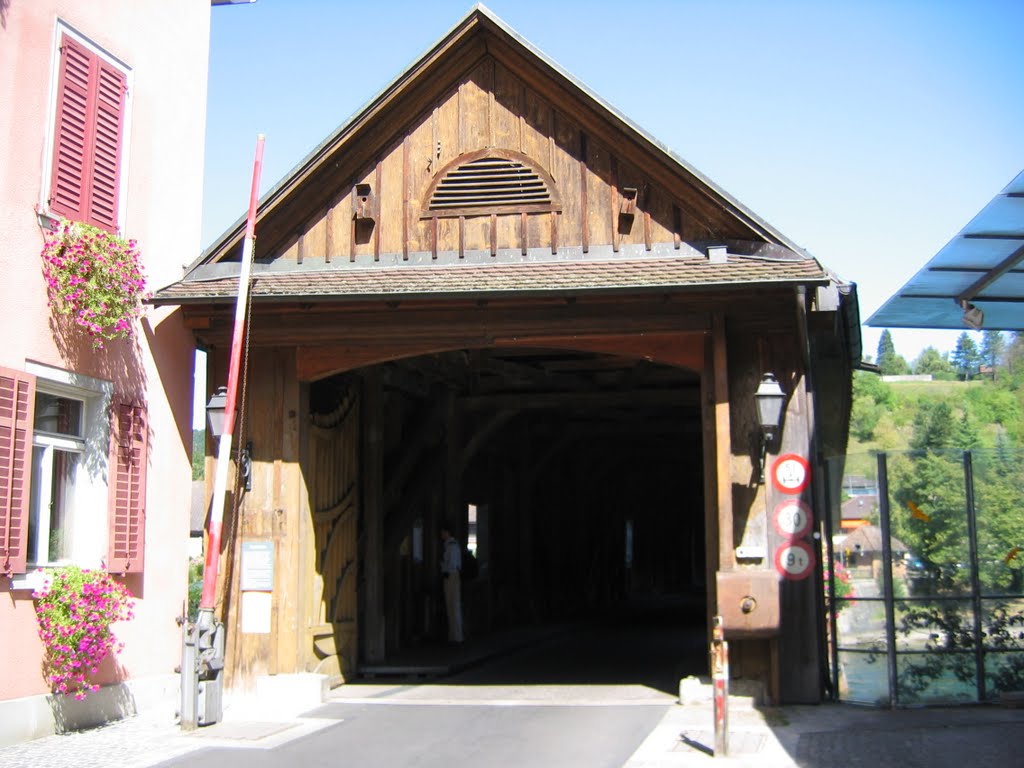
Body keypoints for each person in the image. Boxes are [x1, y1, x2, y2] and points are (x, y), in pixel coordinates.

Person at [440, 527, 464, 643]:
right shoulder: (449, 545)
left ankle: (457, 637)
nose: (441, 534)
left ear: (447, 532)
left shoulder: (452, 546)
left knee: (453, 606)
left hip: (451, 575)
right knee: (452, 606)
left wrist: (444, 567)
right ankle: (454, 636)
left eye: (443, 532)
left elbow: (452, 564)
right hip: (451, 575)